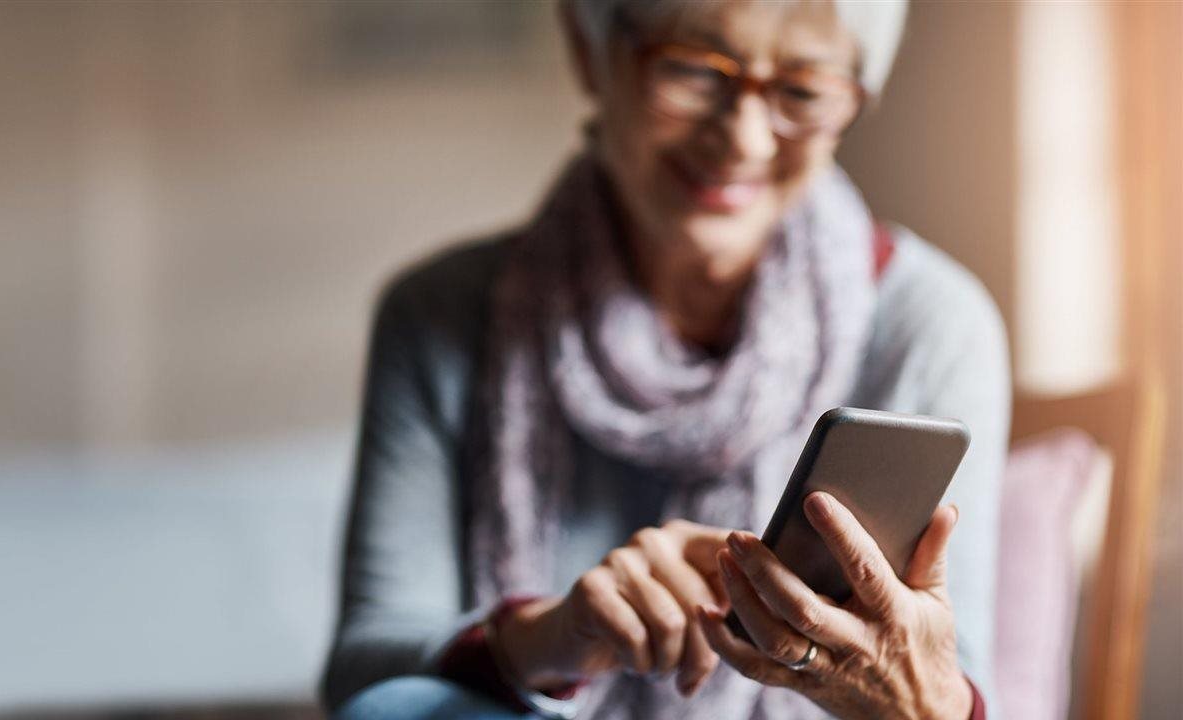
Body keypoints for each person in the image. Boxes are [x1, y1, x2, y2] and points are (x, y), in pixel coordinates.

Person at [322, 0, 1009, 718]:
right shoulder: (439, 315)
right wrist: (554, 634)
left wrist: (918, 699)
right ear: (590, 53)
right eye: (692, 70)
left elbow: (955, 684)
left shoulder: (932, 323)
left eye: (803, 90)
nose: (742, 139)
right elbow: (366, 670)